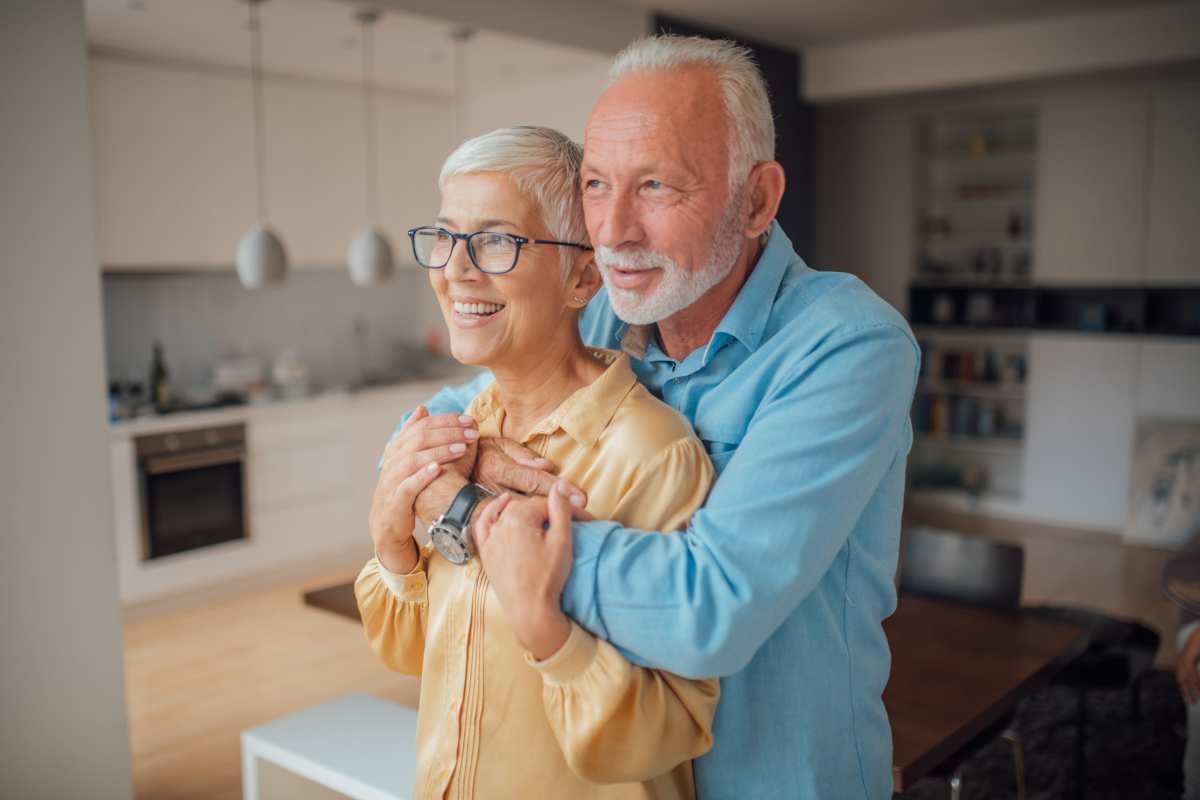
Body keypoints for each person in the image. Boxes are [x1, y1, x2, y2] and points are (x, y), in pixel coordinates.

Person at [383, 35, 920, 797]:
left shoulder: (847, 344)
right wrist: (460, 458)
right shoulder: (603, 315)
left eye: (658, 187)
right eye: (597, 184)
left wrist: (475, 513)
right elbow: (415, 440)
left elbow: (709, 607)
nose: (611, 230)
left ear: (758, 199)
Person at [355, 125, 720, 799]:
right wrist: (391, 540)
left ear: (583, 275)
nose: (456, 269)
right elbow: (414, 652)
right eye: (445, 238)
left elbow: (666, 732)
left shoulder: (651, 454)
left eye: (495, 240)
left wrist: (546, 632)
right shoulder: (458, 437)